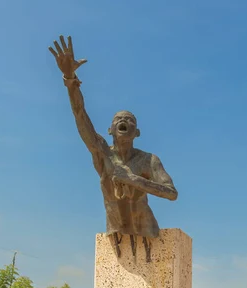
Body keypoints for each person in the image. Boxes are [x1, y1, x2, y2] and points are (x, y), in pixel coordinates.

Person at [49, 36, 178, 239]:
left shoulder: (149, 160)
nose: (123, 121)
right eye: (118, 119)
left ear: (137, 132)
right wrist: (70, 80)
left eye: (129, 120)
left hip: (146, 231)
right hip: (116, 233)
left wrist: (134, 180)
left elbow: (171, 193)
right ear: (110, 129)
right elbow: (80, 113)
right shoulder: (102, 152)